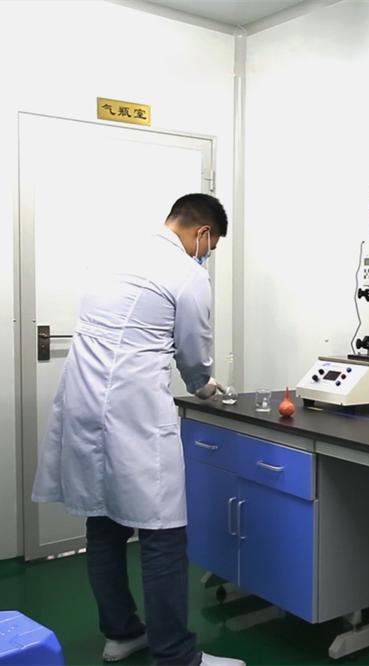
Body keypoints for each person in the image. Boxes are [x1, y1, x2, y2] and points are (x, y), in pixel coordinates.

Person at [32, 194, 244, 666]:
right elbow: (193, 352)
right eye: (209, 247)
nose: (205, 255)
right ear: (203, 233)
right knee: (162, 532)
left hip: (83, 399)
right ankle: (175, 655)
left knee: (104, 523)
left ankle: (122, 633)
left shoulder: (116, 253)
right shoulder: (188, 274)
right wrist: (205, 386)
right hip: (134, 410)